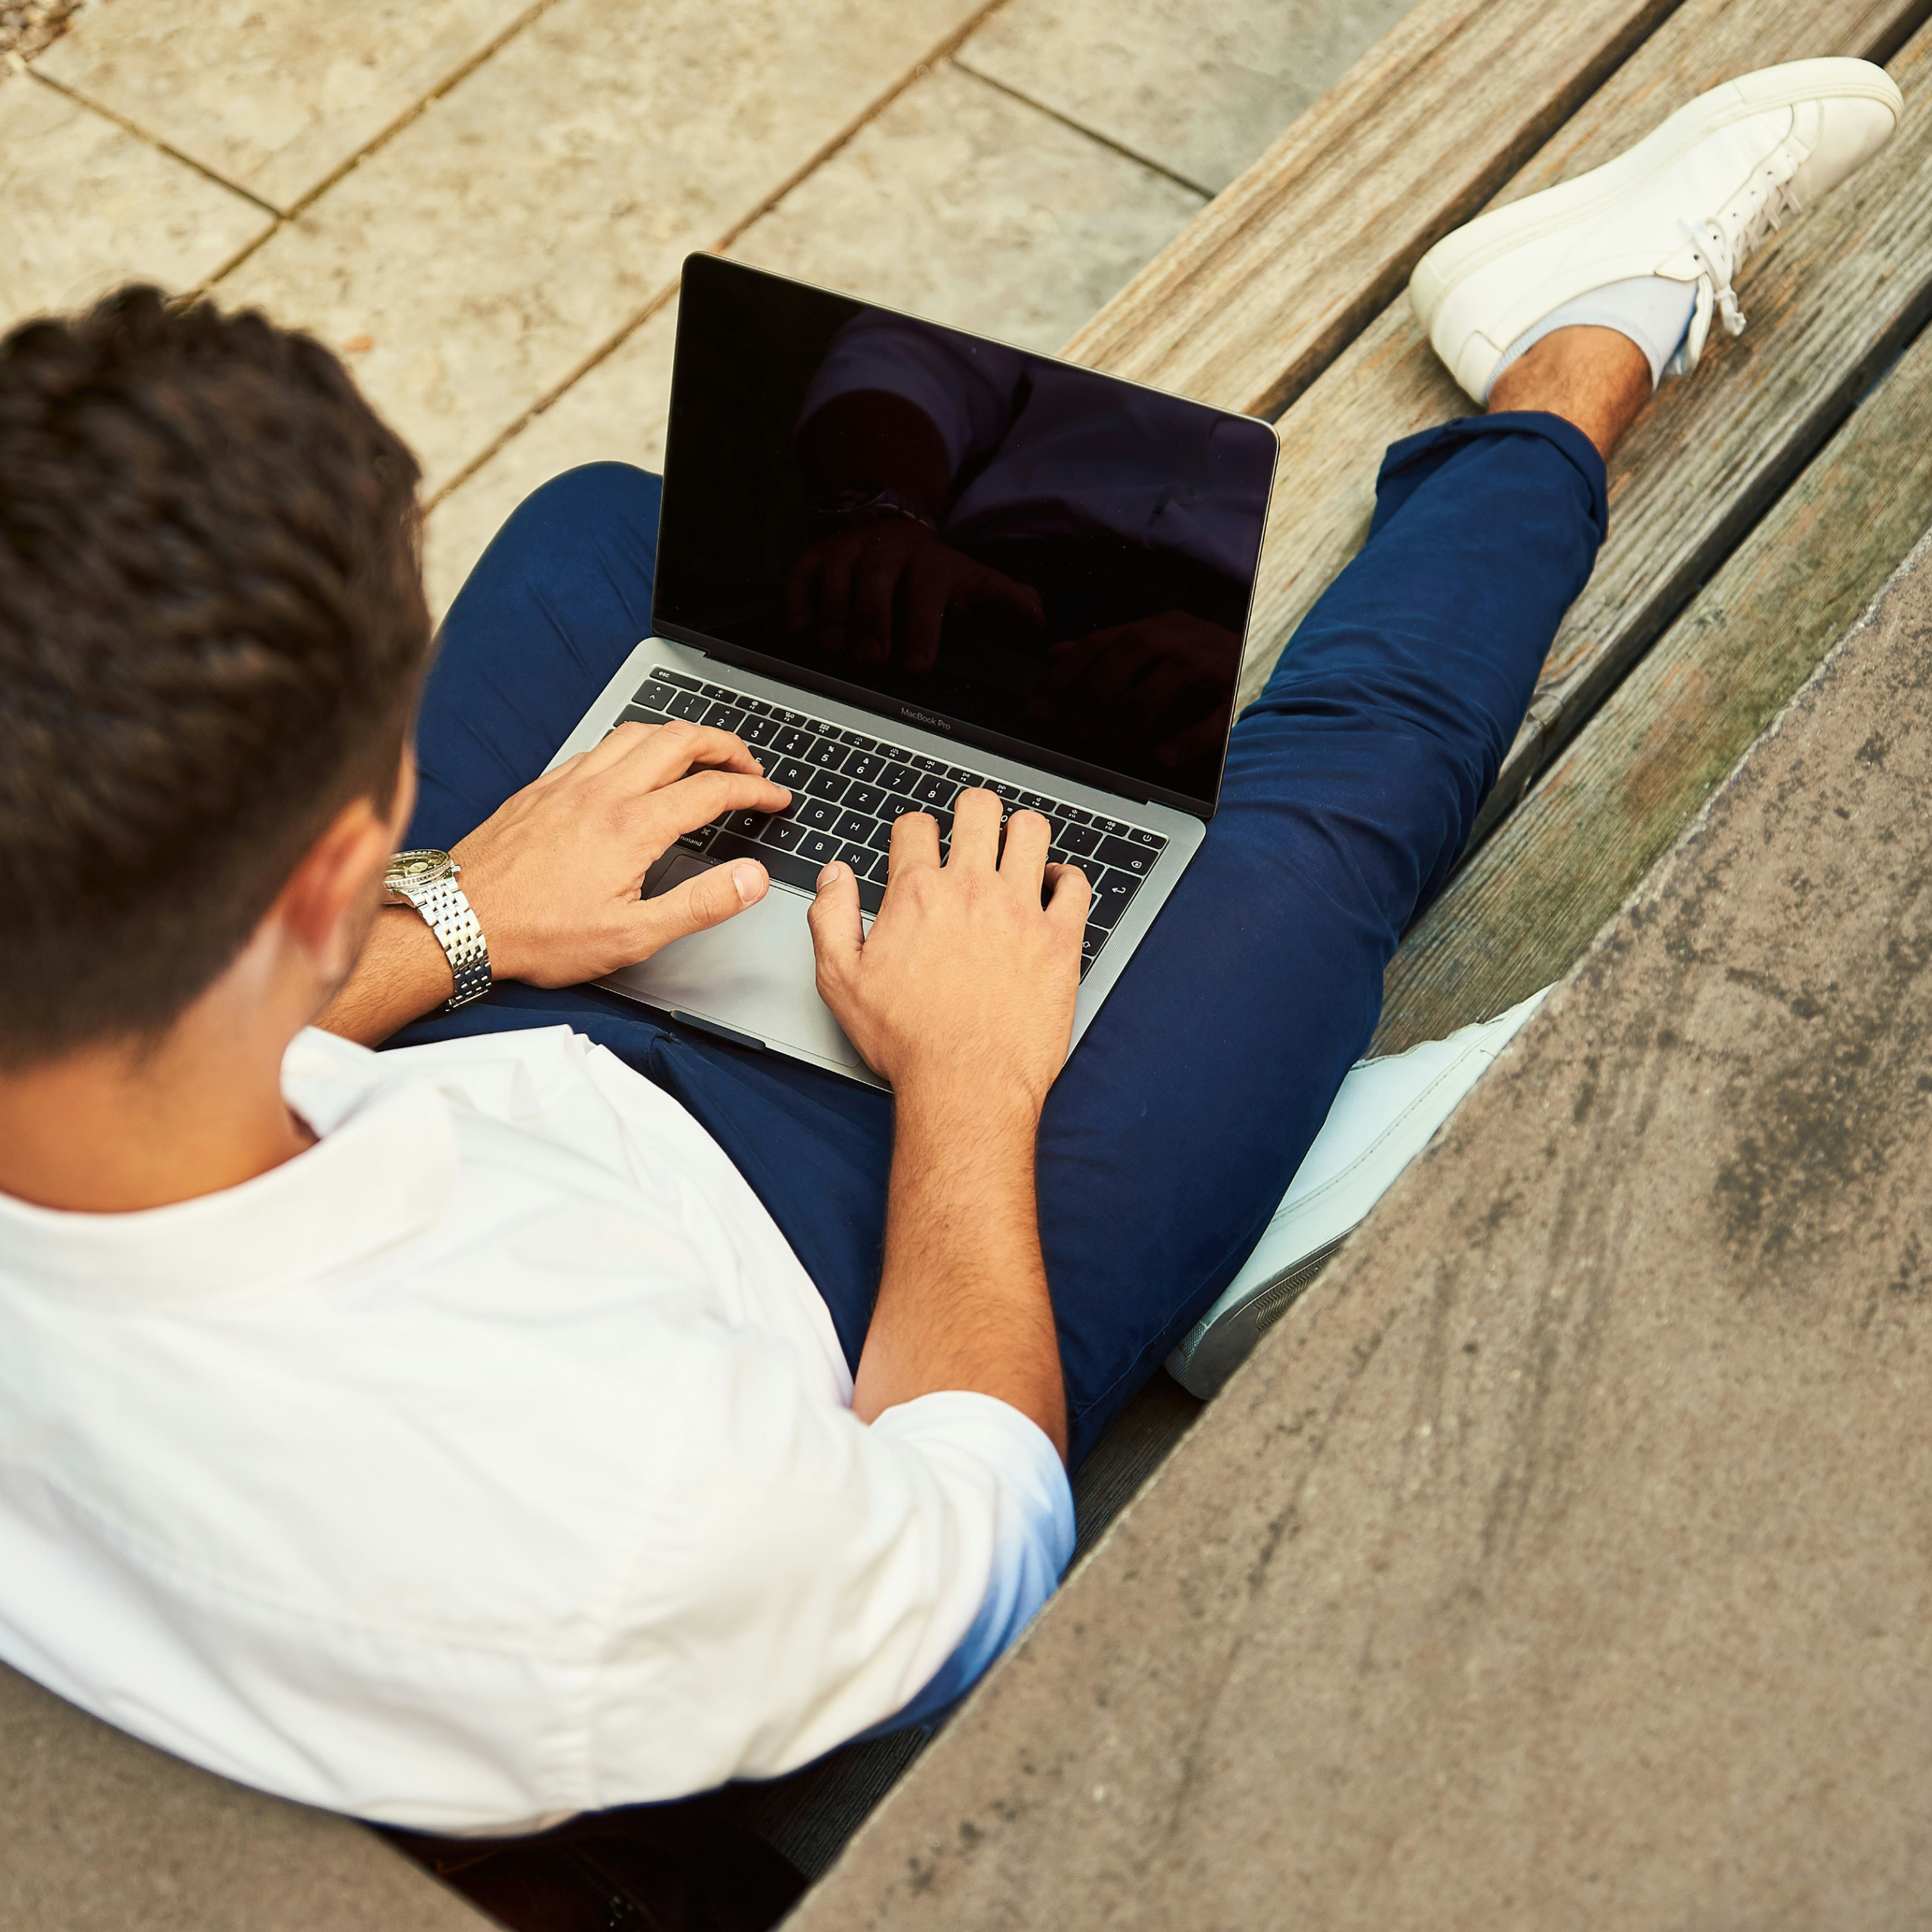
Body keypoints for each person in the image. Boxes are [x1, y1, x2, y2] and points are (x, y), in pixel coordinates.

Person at [0, 61, 1898, 1835]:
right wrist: (973, 1084)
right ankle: (1577, 344)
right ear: (320, 869)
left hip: (434, 1053)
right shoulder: (641, 1522)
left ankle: (1163, 974)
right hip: (839, 1256)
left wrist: (465, 913)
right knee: (1326, 814)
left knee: (605, 545)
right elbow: (976, 1552)